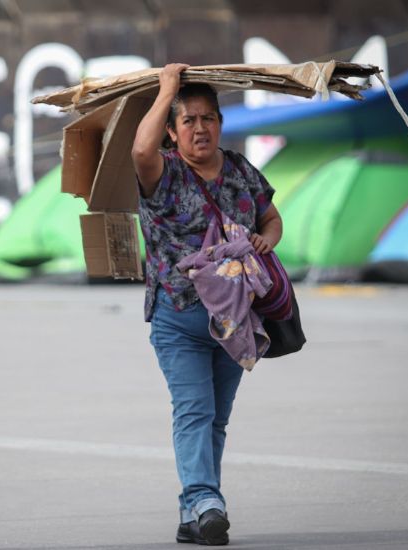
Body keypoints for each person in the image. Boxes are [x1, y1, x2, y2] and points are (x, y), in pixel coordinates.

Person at [131, 63, 283, 546]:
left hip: (235, 319)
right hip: (178, 317)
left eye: (208, 118)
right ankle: (205, 498)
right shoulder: (163, 173)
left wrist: (264, 240)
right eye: (189, 120)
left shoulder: (240, 169)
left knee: (216, 416)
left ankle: (194, 512)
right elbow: (139, 148)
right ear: (172, 132)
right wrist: (167, 90)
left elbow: (273, 217)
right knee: (193, 410)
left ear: (220, 123)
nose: (201, 128)